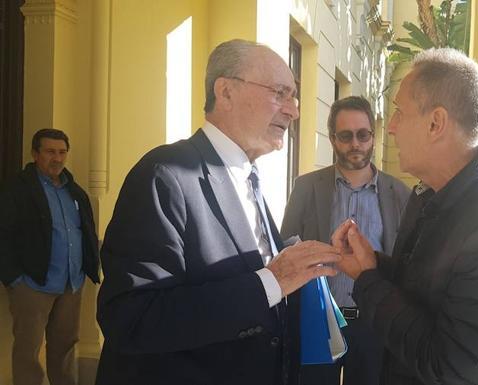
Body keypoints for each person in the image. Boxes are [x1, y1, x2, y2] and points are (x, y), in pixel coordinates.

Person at [95, 39, 341, 385]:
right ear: (225, 91)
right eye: (280, 93)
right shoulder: (165, 175)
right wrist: (273, 280)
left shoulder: (248, 176)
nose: (293, 110)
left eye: (294, 96)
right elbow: (133, 319)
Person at [331, 48, 478, 385]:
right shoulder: (435, 194)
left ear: (435, 123)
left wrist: (368, 282)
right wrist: (374, 265)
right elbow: (427, 291)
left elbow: (451, 370)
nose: (390, 128)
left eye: (399, 113)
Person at [281, 96, 410, 385]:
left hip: (373, 323)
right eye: (346, 136)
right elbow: (286, 247)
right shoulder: (305, 188)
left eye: (363, 135)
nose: (355, 144)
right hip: (319, 321)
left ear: (373, 138)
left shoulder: (400, 194)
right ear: (332, 139)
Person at [0, 128, 100, 385]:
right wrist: (14, 279)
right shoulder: (17, 189)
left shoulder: (75, 191)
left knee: (65, 350)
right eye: (50, 152)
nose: (57, 158)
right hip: (33, 284)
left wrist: (89, 268)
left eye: (62, 152)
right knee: (28, 352)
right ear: (35, 154)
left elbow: (86, 231)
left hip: (71, 285)